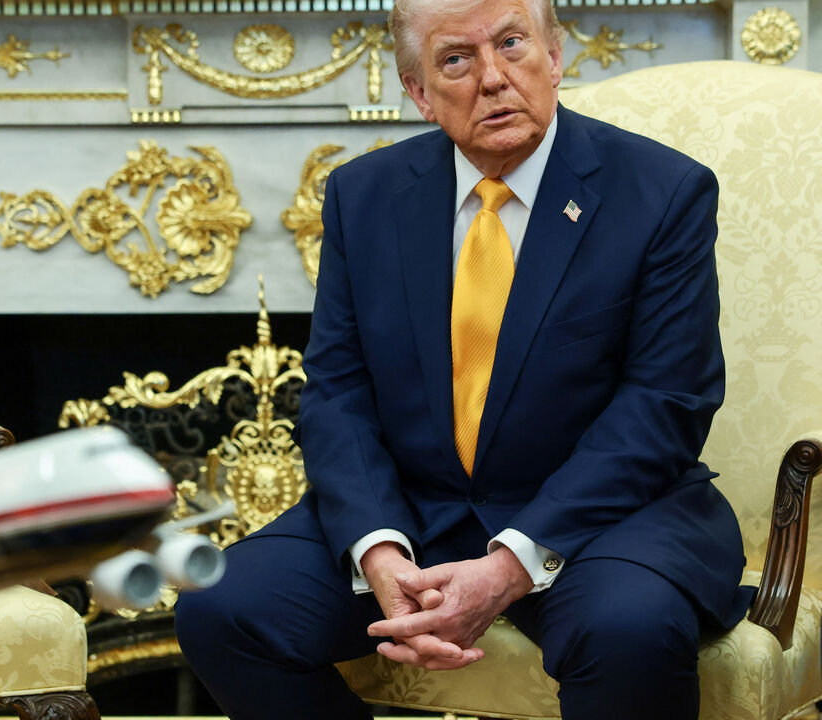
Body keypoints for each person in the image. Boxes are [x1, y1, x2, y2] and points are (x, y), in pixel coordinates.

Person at [174, 0, 752, 718]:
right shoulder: (364, 195)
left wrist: (510, 563)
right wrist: (378, 550)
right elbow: (337, 392)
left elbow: (666, 404)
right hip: (415, 508)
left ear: (555, 55)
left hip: (603, 517)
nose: (493, 78)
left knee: (628, 629)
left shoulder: (662, 193)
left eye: (512, 44)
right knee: (221, 608)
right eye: (456, 60)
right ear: (417, 90)